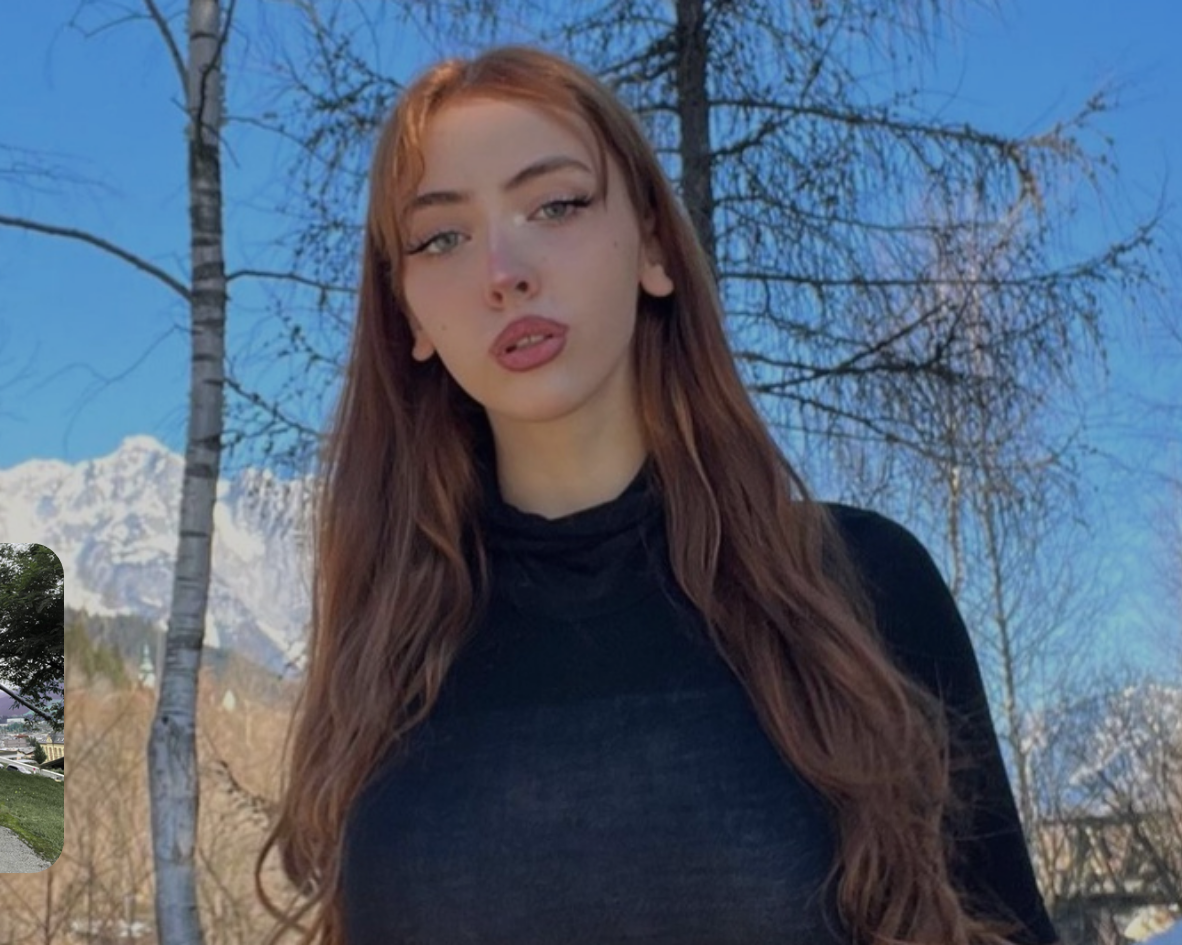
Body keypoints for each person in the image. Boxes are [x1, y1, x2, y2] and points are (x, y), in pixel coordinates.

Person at [256, 45, 1060, 945]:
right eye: (442, 236)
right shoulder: (387, 653)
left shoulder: (860, 589)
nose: (503, 269)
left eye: (555, 204)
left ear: (653, 246)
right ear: (407, 312)